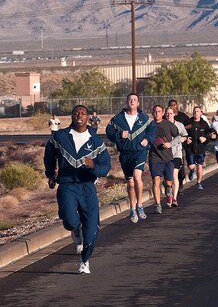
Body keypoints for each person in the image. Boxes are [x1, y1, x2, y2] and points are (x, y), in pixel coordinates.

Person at [44, 105, 111, 274]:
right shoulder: (60, 136)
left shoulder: (96, 141)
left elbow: (106, 167)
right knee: (71, 220)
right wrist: (51, 174)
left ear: (88, 117)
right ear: (71, 116)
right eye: (76, 113)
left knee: (92, 228)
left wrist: (93, 166)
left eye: (82, 113)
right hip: (67, 185)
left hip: (87, 186)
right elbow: (49, 155)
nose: (79, 115)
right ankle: (75, 229)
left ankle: (84, 261)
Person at [106, 93, 157, 223]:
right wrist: (119, 134)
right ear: (126, 102)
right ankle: (132, 207)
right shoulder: (117, 119)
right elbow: (109, 132)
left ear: (138, 103)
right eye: (130, 100)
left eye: (135, 100)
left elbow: (152, 130)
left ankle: (140, 205)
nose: (132, 102)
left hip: (139, 152)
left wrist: (147, 139)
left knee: (137, 177)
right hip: (125, 154)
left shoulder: (145, 118)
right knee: (130, 182)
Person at [150, 105, 180, 214]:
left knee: (169, 182)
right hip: (154, 157)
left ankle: (168, 187)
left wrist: (170, 144)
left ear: (162, 113)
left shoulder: (169, 125)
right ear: (152, 113)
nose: (157, 113)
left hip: (167, 157)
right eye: (155, 111)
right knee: (155, 180)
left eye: (159, 111)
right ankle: (157, 205)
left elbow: (178, 137)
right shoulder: (149, 125)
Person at [185, 106, 216, 190]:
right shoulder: (188, 122)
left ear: (201, 113)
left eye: (198, 111)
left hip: (200, 148)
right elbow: (183, 132)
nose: (196, 113)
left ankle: (199, 183)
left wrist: (206, 139)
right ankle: (191, 171)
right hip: (190, 148)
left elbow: (209, 133)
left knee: (199, 166)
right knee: (191, 166)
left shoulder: (204, 123)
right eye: (194, 111)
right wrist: (186, 139)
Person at [165, 106, 188, 207]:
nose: (169, 115)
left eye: (171, 113)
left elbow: (185, 135)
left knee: (174, 175)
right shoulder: (162, 125)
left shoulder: (179, 125)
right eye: (167, 113)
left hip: (176, 153)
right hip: (165, 154)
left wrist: (184, 139)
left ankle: (174, 198)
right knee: (167, 177)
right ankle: (168, 191)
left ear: (174, 114)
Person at [168, 99, 190, 194]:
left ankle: (179, 186)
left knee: (178, 169)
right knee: (168, 172)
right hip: (167, 150)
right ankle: (168, 185)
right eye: (171, 105)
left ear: (176, 106)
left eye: (174, 105)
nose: (173, 106)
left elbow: (190, 125)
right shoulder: (165, 121)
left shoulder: (182, 116)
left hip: (180, 147)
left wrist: (182, 130)